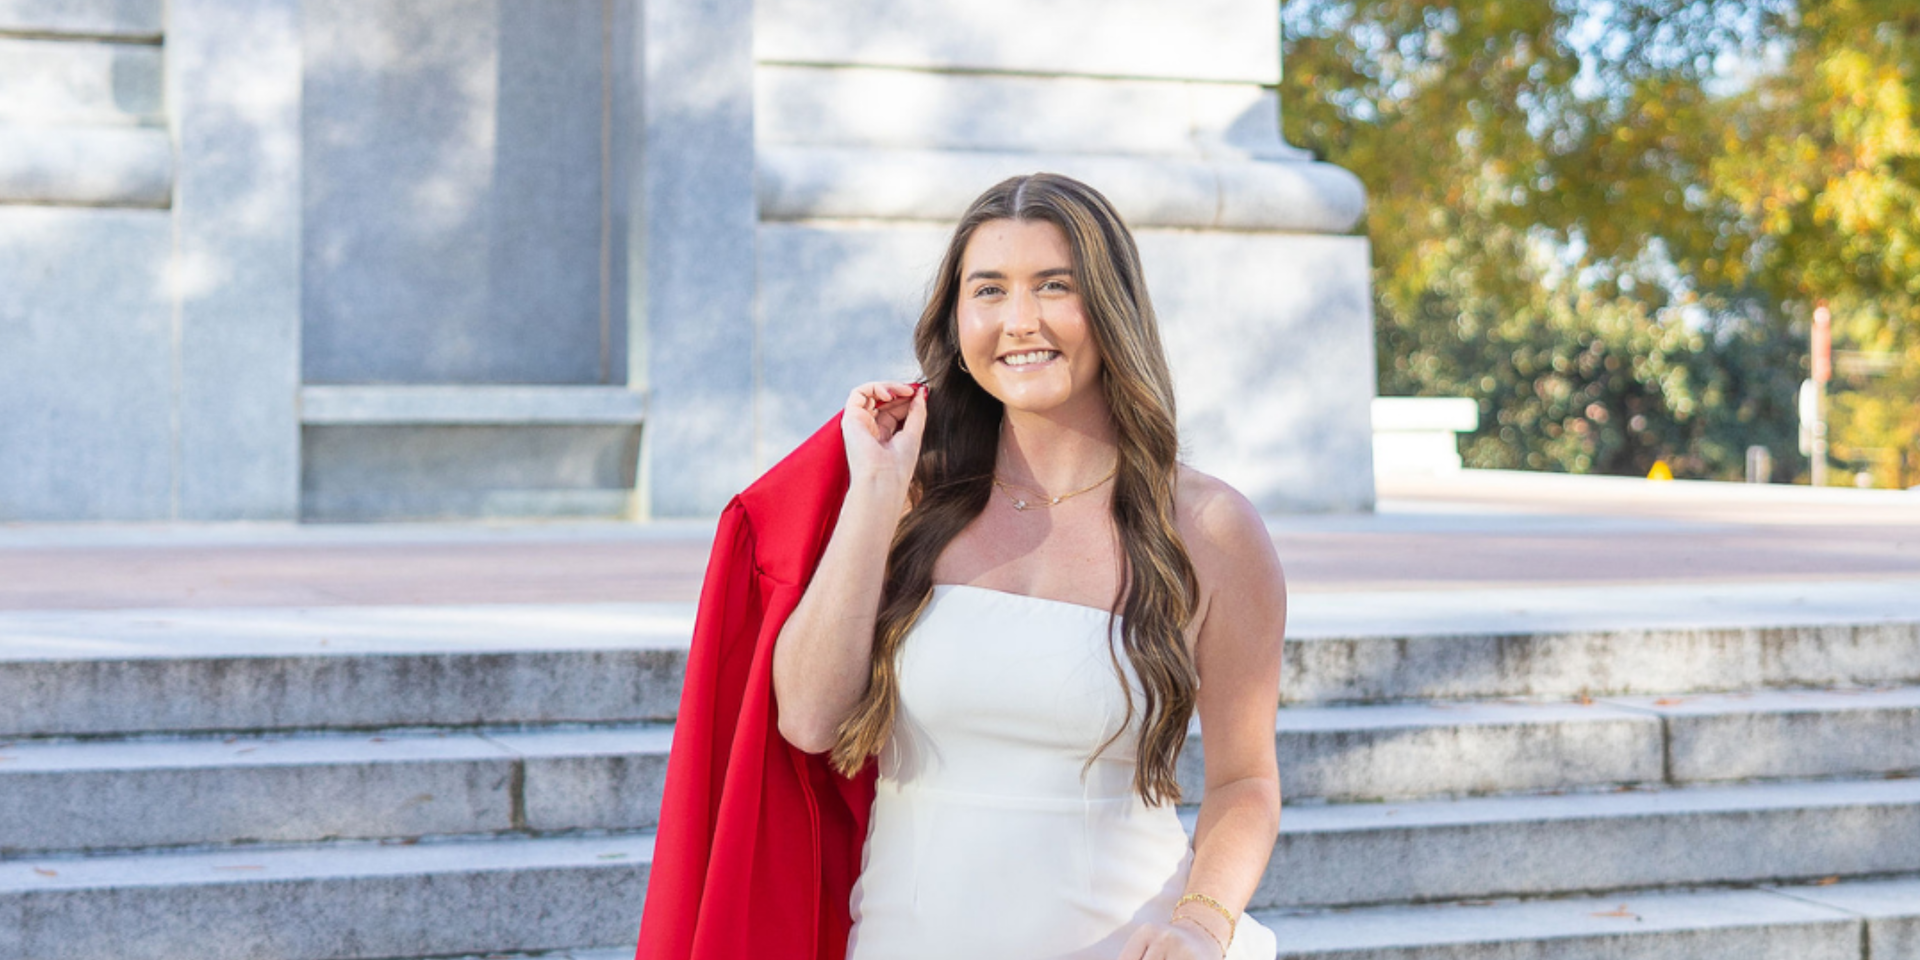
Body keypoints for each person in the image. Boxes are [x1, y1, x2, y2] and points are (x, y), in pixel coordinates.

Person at [770, 173, 1287, 960]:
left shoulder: (1211, 528)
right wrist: (874, 491)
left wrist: (1199, 926)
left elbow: (1246, 782)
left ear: (1111, 307)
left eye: (1055, 286)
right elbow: (807, 720)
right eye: (989, 290)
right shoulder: (906, 500)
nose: (1019, 321)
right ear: (955, 317)